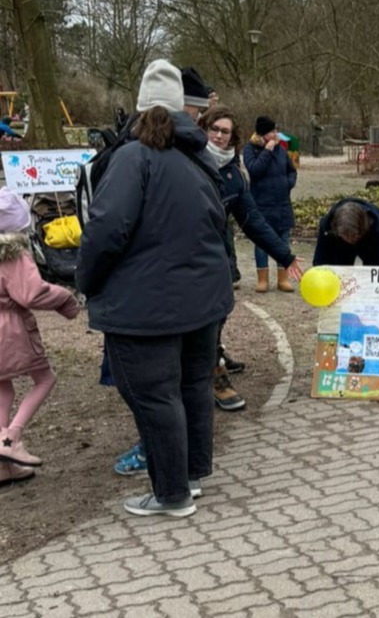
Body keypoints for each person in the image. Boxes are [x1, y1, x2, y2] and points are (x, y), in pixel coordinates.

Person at [76, 59, 233, 517]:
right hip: (203, 300)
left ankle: (171, 494)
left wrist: (86, 282)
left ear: (139, 109)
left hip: (145, 307)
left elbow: (107, 229)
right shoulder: (199, 160)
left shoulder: (131, 159)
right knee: (192, 386)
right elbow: (218, 226)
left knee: (153, 395)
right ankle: (191, 476)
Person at [198, 106, 304, 410]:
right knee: (199, 316)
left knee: (219, 311)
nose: (219, 136)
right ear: (204, 129)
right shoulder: (188, 163)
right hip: (186, 255)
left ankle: (212, 362)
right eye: (214, 129)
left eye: (225, 131)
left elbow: (251, 219)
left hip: (218, 253)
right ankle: (210, 372)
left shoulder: (232, 173)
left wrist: (285, 255)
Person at [0, 187, 80, 483]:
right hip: (10, 330)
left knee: (3, 387)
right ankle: (11, 438)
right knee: (45, 379)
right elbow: (31, 293)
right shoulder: (14, 255)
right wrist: (66, 300)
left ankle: (4, 464)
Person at [243, 116, 298, 293]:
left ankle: (283, 279)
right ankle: (262, 279)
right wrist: (267, 151)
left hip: (282, 203)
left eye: (276, 130)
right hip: (261, 204)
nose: (276, 134)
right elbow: (254, 170)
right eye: (272, 131)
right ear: (262, 133)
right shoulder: (250, 149)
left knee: (283, 240)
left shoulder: (281, 150)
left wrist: (288, 183)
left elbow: (292, 170)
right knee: (262, 242)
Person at [313, 198, 379, 266]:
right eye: (346, 235)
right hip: (339, 241)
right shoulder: (327, 226)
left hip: (370, 238)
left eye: (353, 236)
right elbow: (320, 262)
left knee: (374, 267)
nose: (350, 240)